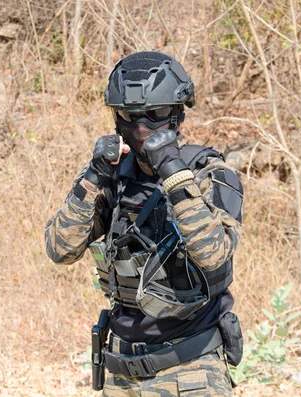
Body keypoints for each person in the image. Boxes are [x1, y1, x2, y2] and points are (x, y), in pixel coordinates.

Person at [45, 51, 244, 396]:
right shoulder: (112, 177)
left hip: (191, 369)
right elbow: (60, 249)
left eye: (155, 115)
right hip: (121, 370)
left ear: (178, 114)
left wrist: (173, 173)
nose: (140, 129)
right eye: (129, 116)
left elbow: (214, 254)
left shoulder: (209, 174)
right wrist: (93, 177)